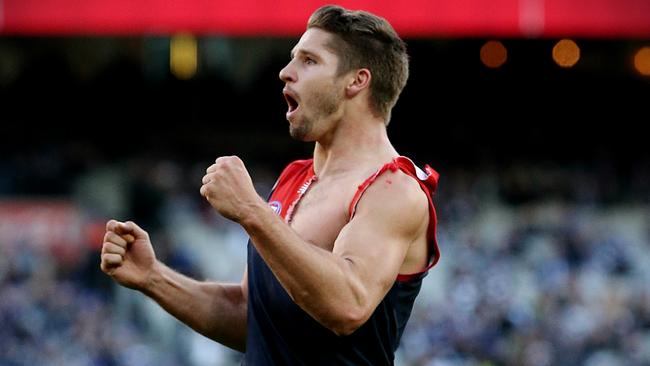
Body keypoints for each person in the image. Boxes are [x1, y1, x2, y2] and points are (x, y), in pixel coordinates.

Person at [100, 5, 440, 365]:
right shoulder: (295, 178)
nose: (285, 72)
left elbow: (348, 304)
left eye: (309, 61)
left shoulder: (393, 189)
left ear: (356, 81)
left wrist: (251, 210)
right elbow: (248, 316)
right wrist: (154, 278)